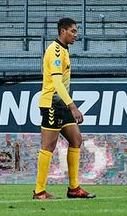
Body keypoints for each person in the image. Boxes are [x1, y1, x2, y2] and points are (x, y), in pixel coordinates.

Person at [32, 17, 95, 200]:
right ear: (63, 31)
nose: (76, 35)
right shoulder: (56, 51)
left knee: (76, 139)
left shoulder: (64, 50)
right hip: (52, 102)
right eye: (73, 31)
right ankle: (39, 191)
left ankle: (74, 188)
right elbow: (57, 83)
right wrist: (73, 107)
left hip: (61, 103)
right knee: (48, 146)